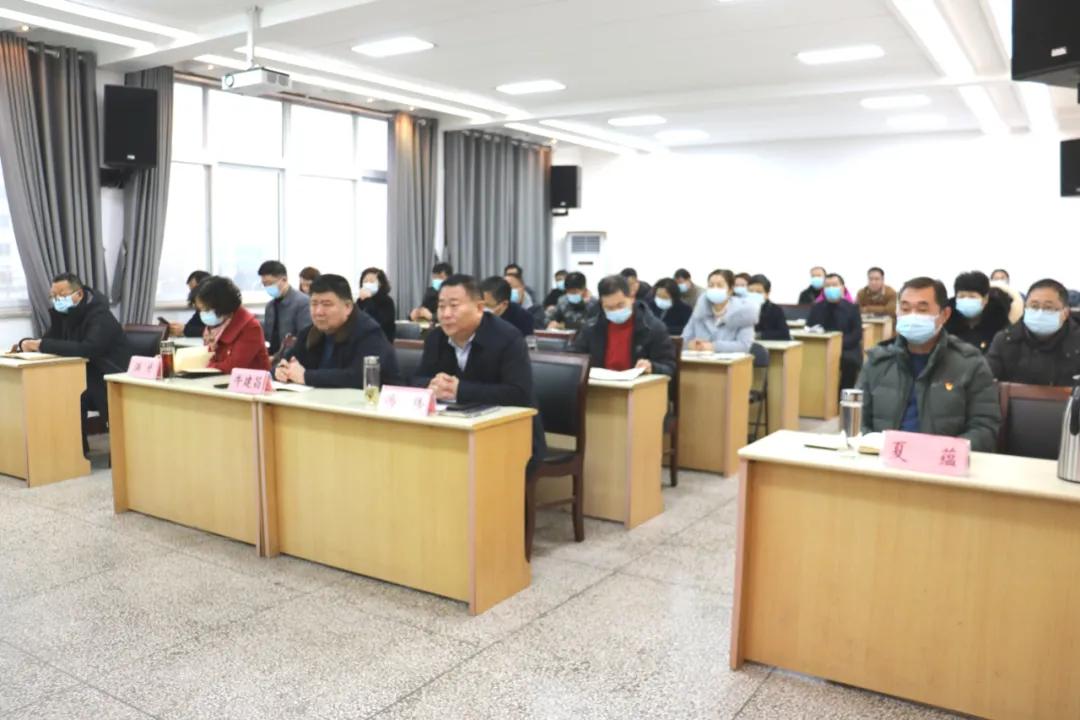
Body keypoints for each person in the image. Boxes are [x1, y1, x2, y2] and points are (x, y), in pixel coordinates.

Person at [858, 277, 1000, 452]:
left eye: (922, 309)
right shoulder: (878, 361)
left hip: (943, 462)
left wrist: (942, 451)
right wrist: (873, 446)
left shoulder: (970, 363)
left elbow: (985, 427)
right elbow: (857, 419)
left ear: (945, 315)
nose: (912, 316)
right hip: (884, 459)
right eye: (905, 309)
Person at [412, 274, 544, 459]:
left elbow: (517, 393)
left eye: (454, 306)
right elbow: (416, 380)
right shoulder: (436, 338)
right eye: (441, 306)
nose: (446, 314)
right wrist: (432, 385)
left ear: (480, 308)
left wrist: (459, 390)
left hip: (510, 436)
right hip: (454, 432)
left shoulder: (508, 338)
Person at [14, 273, 132, 433]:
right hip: (84, 375)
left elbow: (87, 349)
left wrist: (41, 344)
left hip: (109, 376)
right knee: (58, 392)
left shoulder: (100, 316)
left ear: (79, 294)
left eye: (62, 295)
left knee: (70, 394)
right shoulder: (65, 314)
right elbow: (49, 340)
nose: (57, 300)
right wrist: (27, 342)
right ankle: (71, 446)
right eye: (53, 296)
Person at [276, 274, 399, 389]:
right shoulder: (309, 333)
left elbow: (359, 376)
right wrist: (281, 370)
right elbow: (287, 360)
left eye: (326, 304)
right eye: (314, 304)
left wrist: (306, 376)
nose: (318, 312)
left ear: (348, 307)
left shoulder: (369, 332)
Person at [573, 274, 676, 377]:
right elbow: (574, 358)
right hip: (599, 384)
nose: (615, 311)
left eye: (620, 305)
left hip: (637, 385)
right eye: (609, 308)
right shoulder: (591, 327)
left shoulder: (653, 328)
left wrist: (652, 367)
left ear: (632, 298)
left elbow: (669, 367)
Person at [987, 278, 1080, 386]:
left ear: (1065, 312)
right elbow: (985, 380)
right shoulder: (1005, 340)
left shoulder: (1076, 342)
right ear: (1025, 307)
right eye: (1034, 306)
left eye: (1048, 308)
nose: (1040, 313)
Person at [194, 276, 271, 373]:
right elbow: (209, 358)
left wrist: (206, 366)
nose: (203, 313)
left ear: (223, 306)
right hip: (221, 378)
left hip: (248, 379)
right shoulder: (216, 325)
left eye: (207, 309)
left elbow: (233, 366)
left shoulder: (250, 327)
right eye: (201, 309)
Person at [808, 273, 863, 391]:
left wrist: (837, 344)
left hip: (846, 348)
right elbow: (809, 328)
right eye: (827, 286)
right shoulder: (816, 308)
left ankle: (842, 395)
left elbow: (857, 334)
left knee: (849, 363)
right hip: (820, 348)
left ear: (842, 287)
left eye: (834, 285)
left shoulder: (852, 308)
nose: (830, 288)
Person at [681, 269, 759, 353]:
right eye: (711, 286)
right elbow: (683, 340)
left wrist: (713, 346)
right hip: (698, 359)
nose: (715, 289)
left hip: (729, 361)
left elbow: (744, 346)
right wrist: (690, 345)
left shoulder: (744, 313)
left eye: (719, 285)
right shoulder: (699, 312)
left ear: (730, 290)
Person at [943, 271, 1010, 353]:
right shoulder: (945, 326)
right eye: (962, 296)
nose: (966, 300)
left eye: (972, 297)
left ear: (985, 299)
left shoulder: (1001, 327)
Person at [258, 260, 310, 355]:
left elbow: (303, 341)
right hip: (271, 357)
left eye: (270, 283)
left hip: (292, 359)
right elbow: (268, 338)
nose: (268, 287)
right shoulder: (270, 307)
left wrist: (278, 358)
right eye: (265, 284)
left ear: (284, 279)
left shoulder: (303, 303)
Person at [356, 267, 396, 341]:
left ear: (380, 284)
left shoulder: (387, 301)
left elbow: (377, 322)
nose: (368, 284)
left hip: (381, 341)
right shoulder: (360, 301)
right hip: (362, 340)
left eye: (371, 281)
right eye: (365, 281)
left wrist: (367, 300)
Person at [167, 270, 210, 338]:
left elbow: (214, 331)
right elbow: (191, 325)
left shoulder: (220, 306)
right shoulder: (200, 308)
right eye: (191, 290)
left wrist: (185, 329)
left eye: (194, 289)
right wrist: (179, 329)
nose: (192, 293)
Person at [748, 274, 791, 341]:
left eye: (758, 292)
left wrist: (758, 335)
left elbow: (784, 333)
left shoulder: (776, 310)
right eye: (750, 291)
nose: (754, 295)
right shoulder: (742, 309)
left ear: (767, 293)